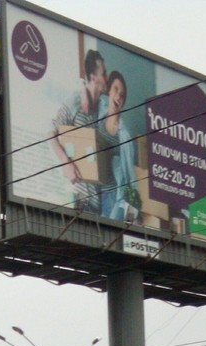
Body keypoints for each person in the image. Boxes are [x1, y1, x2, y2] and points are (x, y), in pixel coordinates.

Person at [49, 48, 108, 213]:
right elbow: (51, 133)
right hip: (78, 200)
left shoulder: (103, 108)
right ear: (93, 77)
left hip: (98, 205)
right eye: (104, 73)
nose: (106, 78)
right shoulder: (74, 101)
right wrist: (66, 163)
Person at [97, 70, 138, 223]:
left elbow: (130, 177)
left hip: (113, 197)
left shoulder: (125, 136)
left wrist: (132, 210)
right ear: (109, 90)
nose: (118, 96)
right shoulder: (97, 118)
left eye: (122, 95)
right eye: (116, 89)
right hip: (93, 193)